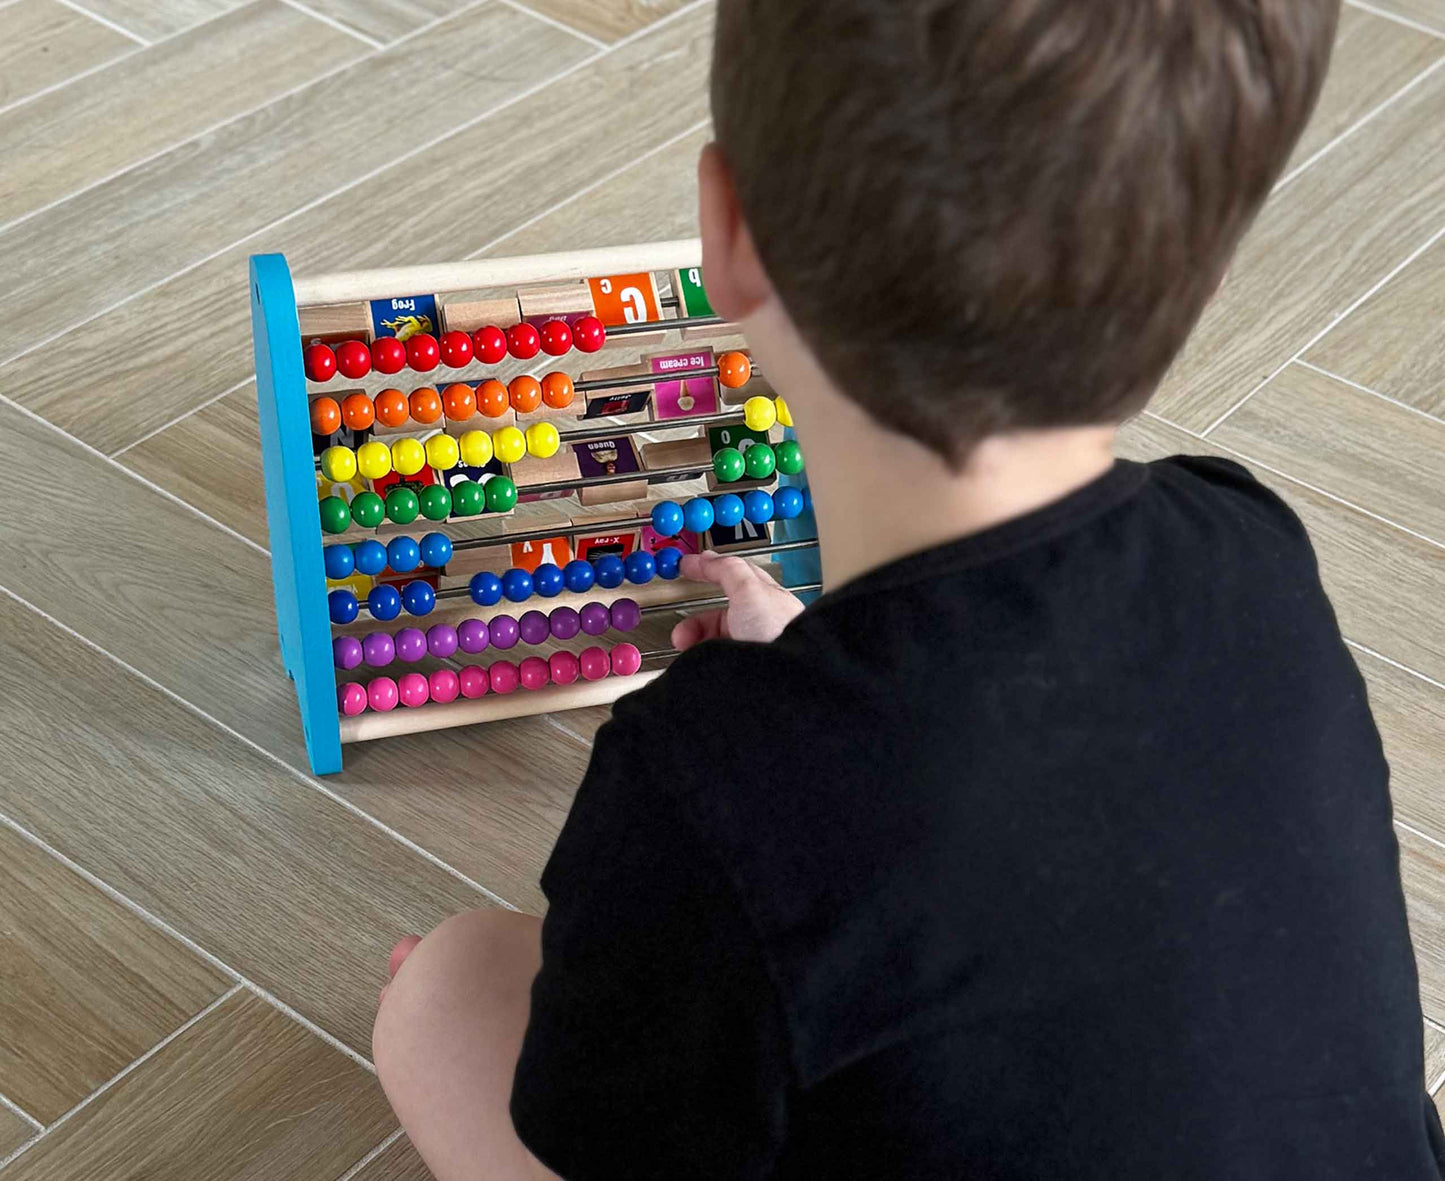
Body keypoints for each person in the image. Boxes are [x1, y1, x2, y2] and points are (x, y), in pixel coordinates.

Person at [371, 1, 1445, 1176]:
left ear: (724, 229)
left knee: (448, 991)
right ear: (1210, 269)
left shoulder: (700, 780)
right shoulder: (1248, 545)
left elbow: (602, 1125)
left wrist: (749, 761)